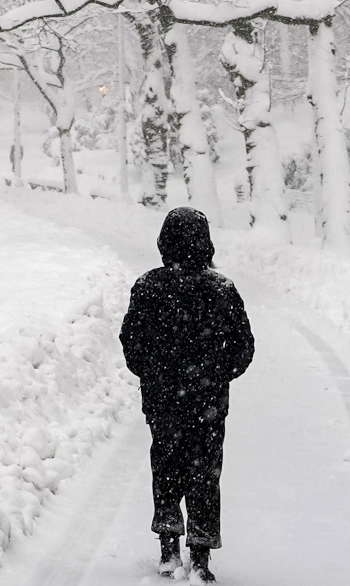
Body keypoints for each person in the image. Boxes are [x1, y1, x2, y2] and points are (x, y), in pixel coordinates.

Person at [118, 206, 256, 579]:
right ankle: (201, 555)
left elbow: (131, 341)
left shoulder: (148, 286)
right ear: (206, 244)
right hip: (208, 403)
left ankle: (168, 550)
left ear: (164, 242)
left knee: (165, 467)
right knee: (204, 473)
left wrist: (151, 374)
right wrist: (216, 376)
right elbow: (244, 347)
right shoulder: (221, 288)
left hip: (162, 400)